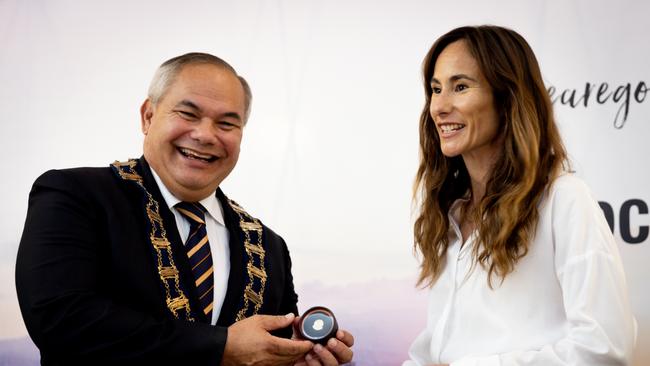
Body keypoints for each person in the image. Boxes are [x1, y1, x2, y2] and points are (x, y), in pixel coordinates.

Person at [16, 52, 353, 366]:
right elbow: (60, 320)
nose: (205, 135)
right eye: (188, 114)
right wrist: (220, 347)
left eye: (226, 124)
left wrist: (293, 355)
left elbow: (261, 353)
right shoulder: (76, 196)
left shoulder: (269, 247)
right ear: (148, 116)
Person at [404, 26, 636, 365]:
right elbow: (438, 351)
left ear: (508, 97)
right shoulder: (450, 213)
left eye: (461, 87)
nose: (439, 106)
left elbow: (605, 349)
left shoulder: (564, 200)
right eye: (436, 89)